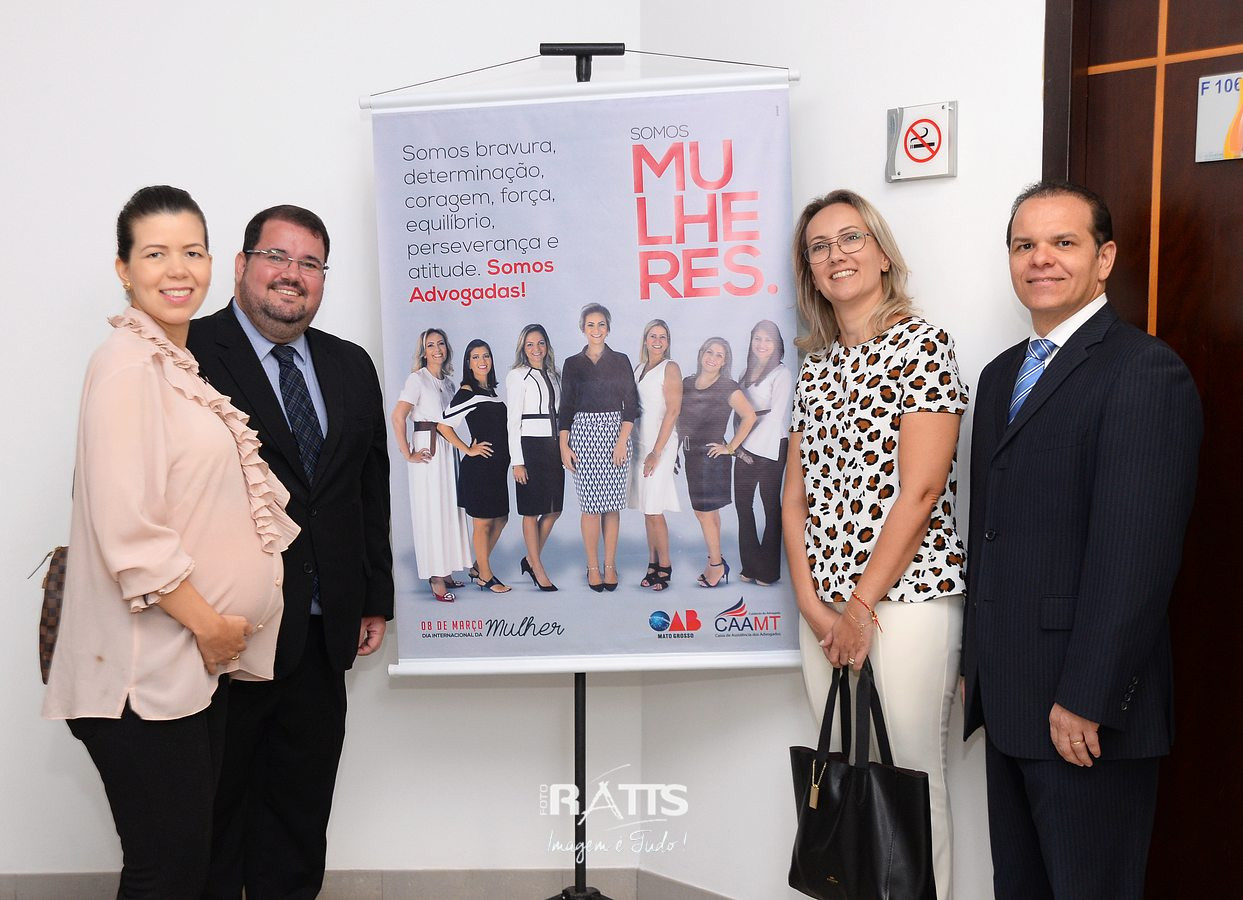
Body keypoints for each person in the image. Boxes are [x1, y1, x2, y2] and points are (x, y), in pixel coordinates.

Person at [43, 186, 299, 898]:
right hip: (142, 675)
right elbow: (127, 529)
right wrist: (213, 628)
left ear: (215, 262)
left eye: (192, 251)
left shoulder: (172, 367)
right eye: (155, 254)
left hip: (183, 669)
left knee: (185, 867)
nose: (177, 269)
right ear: (123, 269)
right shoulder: (127, 365)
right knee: (168, 873)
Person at [961, 182, 1202, 900]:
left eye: (1062, 242)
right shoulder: (1000, 375)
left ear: (1104, 259)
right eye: (1023, 245)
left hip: (1085, 710)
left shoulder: (1143, 370)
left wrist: (1087, 695)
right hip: (1009, 698)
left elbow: (1136, 558)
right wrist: (977, 664)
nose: (1039, 259)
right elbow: (991, 530)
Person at [187, 204, 394, 899]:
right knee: (213, 815)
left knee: (300, 815)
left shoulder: (349, 364)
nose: (292, 274)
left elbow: (367, 487)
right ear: (241, 265)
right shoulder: (188, 354)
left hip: (321, 626)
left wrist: (373, 595)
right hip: (222, 631)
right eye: (277, 256)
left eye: (309, 263)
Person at [782, 189, 969, 900]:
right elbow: (793, 499)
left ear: (883, 254)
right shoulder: (815, 368)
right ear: (809, 270)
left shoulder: (922, 346)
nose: (836, 255)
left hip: (906, 600)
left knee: (908, 777)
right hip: (825, 612)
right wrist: (812, 605)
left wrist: (860, 607)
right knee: (843, 773)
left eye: (851, 238)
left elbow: (920, 491)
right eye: (819, 246)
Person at [559, 303, 640, 592]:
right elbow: (566, 406)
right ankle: (592, 566)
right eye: (591, 324)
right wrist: (564, 445)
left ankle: (610, 565)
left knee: (612, 506)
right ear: (583, 328)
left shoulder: (620, 360)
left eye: (601, 324)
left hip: (616, 432)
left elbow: (631, 404)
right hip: (583, 434)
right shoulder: (572, 363)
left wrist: (621, 441)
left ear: (608, 328)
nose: (596, 330)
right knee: (591, 506)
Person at [391, 327, 473, 602]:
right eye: (431, 345)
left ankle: (446, 570)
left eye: (441, 344)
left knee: (449, 509)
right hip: (428, 449)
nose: (437, 349)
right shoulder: (417, 379)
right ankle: (435, 577)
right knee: (431, 511)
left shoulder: (448, 383)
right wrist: (407, 453)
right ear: (423, 352)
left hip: (447, 449)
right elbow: (398, 416)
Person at [679, 337, 756, 588]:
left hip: (711, 458)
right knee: (707, 513)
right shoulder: (687, 383)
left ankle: (715, 565)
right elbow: (681, 420)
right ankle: (717, 560)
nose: (713, 358)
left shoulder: (727, 386)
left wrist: (730, 448)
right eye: (709, 352)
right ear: (701, 353)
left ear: (725, 361)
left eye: (719, 355)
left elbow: (749, 416)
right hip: (691, 456)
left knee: (704, 513)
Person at [441, 339, 511, 593]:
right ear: (468, 363)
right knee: (482, 523)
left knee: (501, 518)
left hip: (497, 469)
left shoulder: (491, 392)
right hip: (479, 469)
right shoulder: (467, 392)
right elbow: (443, 425)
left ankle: (478, 567)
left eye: (486, 356)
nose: (482, 361)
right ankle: (486, 577)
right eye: (476, 357)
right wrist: (468, 449)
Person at [734, 320, 793, 586]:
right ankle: (750, 566)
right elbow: (738, 412)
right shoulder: (745, 372)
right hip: (743, 447)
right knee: (743, 506)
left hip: (770, 448)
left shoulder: (782, 374)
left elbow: (776, 416)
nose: (762, 344)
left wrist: (743, 445)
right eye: (757, 338)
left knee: (770, 506)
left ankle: (768, 570)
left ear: (777, 344)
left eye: (768, 339)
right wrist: (737, 447)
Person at [505, 324, 564, 591]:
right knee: (531, 511)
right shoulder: (517, 375)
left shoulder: (554, 375)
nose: (536, 349)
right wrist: (517, 461)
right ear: (523, 348)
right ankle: (537, 567)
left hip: (553, 446)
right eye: (530, 344)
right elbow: (512, 421)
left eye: (540, 343)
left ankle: (530, 559)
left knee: (554, 509)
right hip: (529, 446)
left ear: (547, 345)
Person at [628, 319, 683, 591]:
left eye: (663, 336)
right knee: (645, 508)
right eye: (653, 336)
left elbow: (673, 411)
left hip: (660, 444)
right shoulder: (639, 368)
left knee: (653, 508)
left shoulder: (670, 368)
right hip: (640, 442)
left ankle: (665, 565)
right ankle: (652, 562)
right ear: (645, 340)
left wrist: (656, 452)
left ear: (668, 341)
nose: (657, 341)